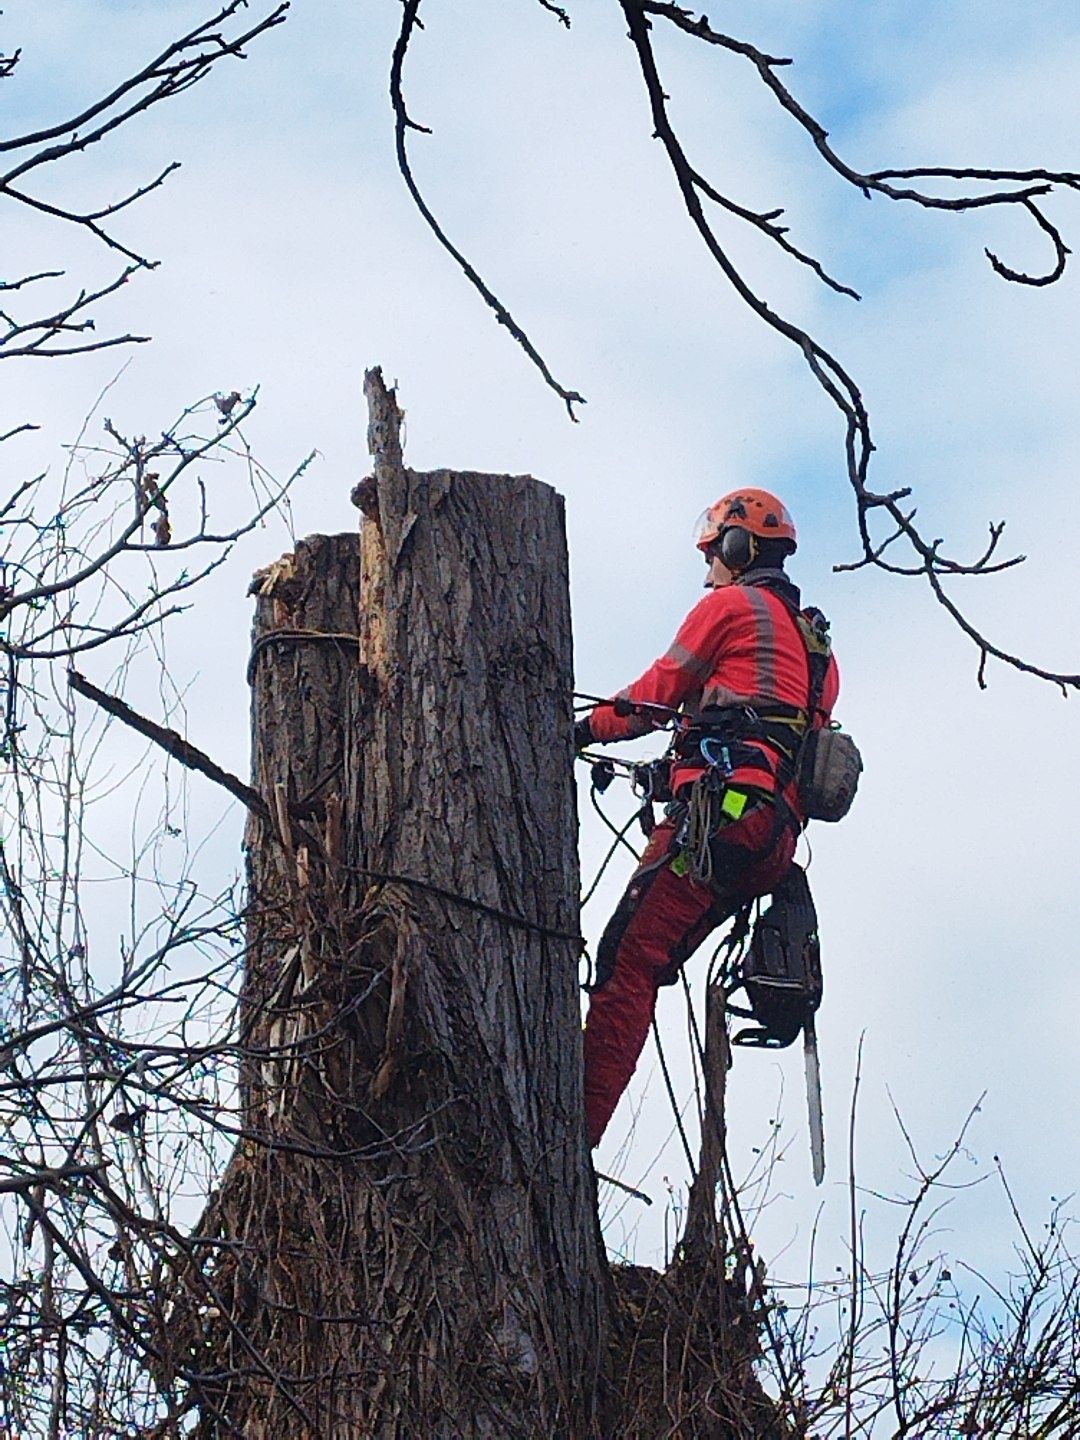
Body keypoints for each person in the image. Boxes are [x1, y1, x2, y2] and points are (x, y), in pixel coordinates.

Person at [574, 489, 840, 1149]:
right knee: (649, 961)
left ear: (737, 548)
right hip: (770, 837)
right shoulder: (818, 650)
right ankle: (578, 1125)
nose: (709, 570)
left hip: (722, 818)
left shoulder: (728, 607)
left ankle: (572, 1134)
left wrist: (578, 729)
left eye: (714, 554)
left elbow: (651, 701)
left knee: (627, 961)